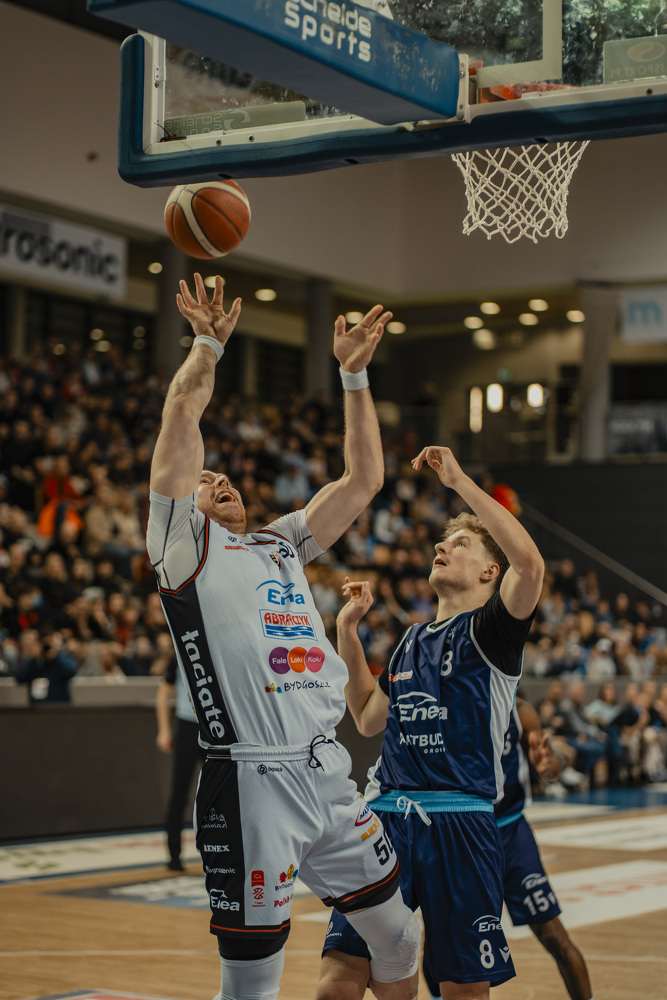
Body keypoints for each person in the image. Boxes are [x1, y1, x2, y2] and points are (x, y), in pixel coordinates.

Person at [145, 274, 421, 1000]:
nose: (220, 480)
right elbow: (182, 410)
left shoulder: (279, 543)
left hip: (327, 771)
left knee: (399, 936)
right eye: (205, 479)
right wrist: (206, 346)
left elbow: (363, 480)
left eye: (225, 476)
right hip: (253, 783)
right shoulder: (182, 546)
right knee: (253, 988)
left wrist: (353, 376)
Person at [317, 445, 544, 1000]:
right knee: (338, 980)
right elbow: (367, 716)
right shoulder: (410, 640)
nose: (442, 546)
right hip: (387, 819)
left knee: (463, 991)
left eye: (460, 544)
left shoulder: (493, 632)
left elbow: (531, 564)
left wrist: (460, 481)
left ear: (491, 571)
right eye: (444, 541)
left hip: (461, 823)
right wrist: (347, 633)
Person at [422, 697, 594, 1000]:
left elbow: (551, 764)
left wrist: (550, 766)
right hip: (463, 836)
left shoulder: (520, 711)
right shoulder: (443, 705)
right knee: (439, 940)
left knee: (553, 935)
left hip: (510, 832)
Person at [155, 652, 205, 871]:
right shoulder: (178, 655)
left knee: (218, 794)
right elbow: (163, 692)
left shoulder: (212, 650)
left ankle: (220, 851)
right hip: (187, 727)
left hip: (211, 728)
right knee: (179, 792)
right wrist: (164, 730)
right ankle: (173, 855)